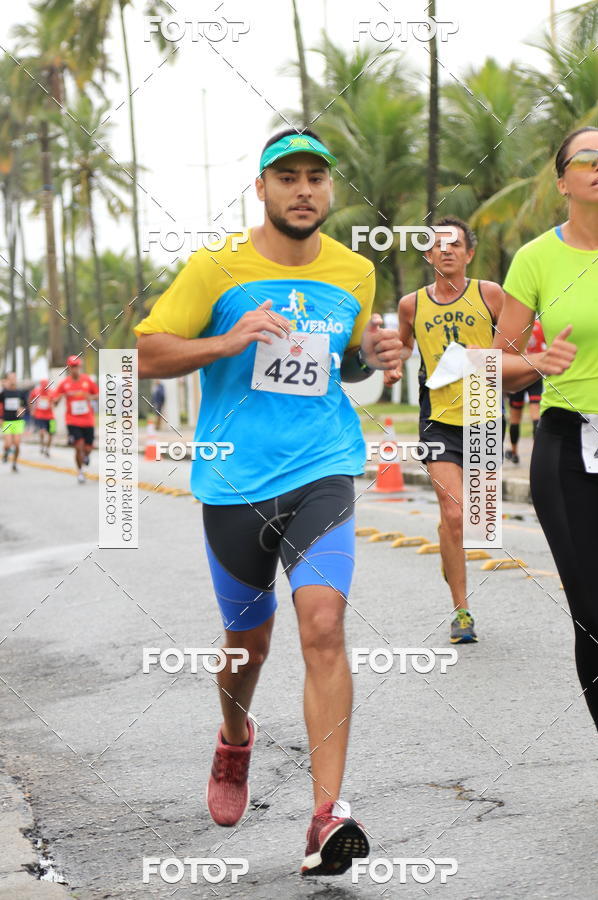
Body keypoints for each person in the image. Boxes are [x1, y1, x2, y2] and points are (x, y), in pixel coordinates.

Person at [135, 128, 403, 875]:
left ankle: (326, 817)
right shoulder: (216, 266)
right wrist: (227, 342)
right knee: (246, 648)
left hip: (324, 464)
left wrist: (372, 356)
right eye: (288, 177)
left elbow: (344, 364)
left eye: (316, 177)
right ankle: (234, 737)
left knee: (323, 621)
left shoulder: (354, 272)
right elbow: (146, 350)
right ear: (262, 189)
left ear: (329, 189)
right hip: (233, 480)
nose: (304, 190)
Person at [496, 127, 598, 736]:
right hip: (568, 450)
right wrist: (535, 363)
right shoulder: (537, 258)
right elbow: (493, 365)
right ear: (562, 181)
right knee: (593, 614)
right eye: (586, 158)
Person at [385, 216, 504, 644]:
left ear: (469, 254)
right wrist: (394, 365)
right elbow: (402, 345)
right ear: (428, 254)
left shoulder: (490, 295)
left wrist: (486, 353)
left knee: (480, 518)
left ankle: (449, 541)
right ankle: (462, 610)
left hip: (483, 408)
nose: (447, 251)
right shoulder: (411, 305)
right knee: (453, 515)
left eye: (456, 245)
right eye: (438, 245)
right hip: (437, 416)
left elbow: (515, 347)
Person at [505, 319, 546, 464]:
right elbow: (547, 349)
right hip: (536, 373)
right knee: (536, 416)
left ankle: (514, 452)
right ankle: (537, 454)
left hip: (519, 373)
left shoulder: (517, 326)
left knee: (515, 418)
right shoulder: (541, 327)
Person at [53, 356, 99, 484]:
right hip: (72, 420)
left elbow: (97, 395)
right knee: (78, 446)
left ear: (80, 366)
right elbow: (56, 399)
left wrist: (91, 397)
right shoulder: (64, 384)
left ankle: (86, 456)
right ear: (69, 368)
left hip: (88, 420)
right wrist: (57, 401)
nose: (75, 369)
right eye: (73, 367)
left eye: (77, 366)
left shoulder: (87, 381)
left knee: (88, 448)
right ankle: (80, 472)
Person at [0, 372, 28, 472]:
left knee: (16, 444)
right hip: (7, 421)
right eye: (10, 378)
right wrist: (0, 418)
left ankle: (14, 463)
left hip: (18, 421)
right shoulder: (4, 393)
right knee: (7, 443)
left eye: (14, 378)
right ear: (7, 380)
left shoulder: (20, 392)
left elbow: (26, 406)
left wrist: (22, 410)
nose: (12, 380)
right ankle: (6, 452)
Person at [29, 377, 56, 457]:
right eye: (43, 385)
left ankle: (47, 449)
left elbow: (56, 401)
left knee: (51, 434)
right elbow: (30, 399)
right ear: (40, 385)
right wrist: (32, 410)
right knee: (42, 431)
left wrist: (53, 404)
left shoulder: (52, 392)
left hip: (51, 416)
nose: (44, 386)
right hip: (40, 415)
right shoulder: (36, 391)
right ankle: (42, 445)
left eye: (46, 384)